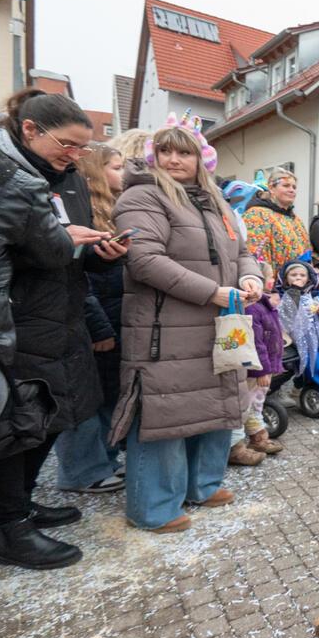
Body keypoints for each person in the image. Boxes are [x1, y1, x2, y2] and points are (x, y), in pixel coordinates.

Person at [111, 114, 263, 533]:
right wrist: (212, 292)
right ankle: (154, 507)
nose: (175, 159)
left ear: (201, 159)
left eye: (184, 152)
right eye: (166, 150)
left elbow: (241, 250)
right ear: (153, 155)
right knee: (166, 414)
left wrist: (251, 276)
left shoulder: (216, 203)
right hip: (168, 327)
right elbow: (144, 261)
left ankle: (202, 484)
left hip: (218, 323)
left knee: (217, 404)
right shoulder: (143, 198)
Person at [0, 89, 127, 563]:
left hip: (63, 312)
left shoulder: (67, 177)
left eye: (82, 148)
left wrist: (96, 252)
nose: (75, 156)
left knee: (50, 418)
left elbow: (64, 250)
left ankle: (21, 506)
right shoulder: (9, 176)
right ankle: (9, 528)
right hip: (20, 319)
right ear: (30, 130)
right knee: (19, 425)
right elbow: (24, 249)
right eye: (67, 144)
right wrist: (64, 241)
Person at [53, 143, 128, 493]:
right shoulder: (83, 212)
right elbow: (80, 278)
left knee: (109, 393)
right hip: (94, 318)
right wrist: (98, 324)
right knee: (85, 400)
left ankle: (105, 460)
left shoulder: (113, 210)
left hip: (113, 314)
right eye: (116, 167)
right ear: (98, 171)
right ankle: (80, 471)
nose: (123, 173)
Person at [241, 262, 284, 457]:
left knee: (258, 400)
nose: (273, 281)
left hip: (267, 366)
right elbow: (256, 343)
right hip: (258, 369)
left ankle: (257, 435)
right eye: (268, 278)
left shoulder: (265, 305)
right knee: (252, 402)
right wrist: (262, 370)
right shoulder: (253, 309)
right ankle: (255, 437)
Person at [276, 260, 319, 389]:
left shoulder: (317, 295)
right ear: (286, 279)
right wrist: (295, 291)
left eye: (302, 275)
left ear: (309, 278)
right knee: (315, 366)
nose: (298, 277)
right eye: (293, 275)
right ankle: (318, 388)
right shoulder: (285, 296)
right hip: (304, 340)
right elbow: (285, 316)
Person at [242, 167, 311, 273]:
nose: (292, 190)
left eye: (294, 187)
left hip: (298, 285)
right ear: (271, 188)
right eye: (286, 186)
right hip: (273, 286)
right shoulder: (256, 215)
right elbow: (256, 254)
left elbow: (307, 249)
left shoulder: (295, 219)